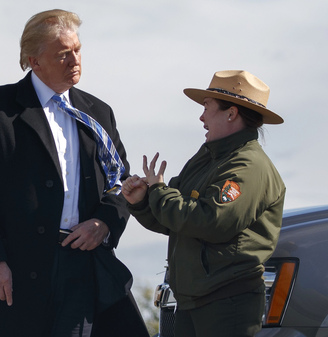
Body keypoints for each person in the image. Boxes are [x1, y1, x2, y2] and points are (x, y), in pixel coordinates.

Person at [0, 9, 148, 337]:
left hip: (80, 267)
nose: (75, 59)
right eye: (63, 54)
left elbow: (120, 182)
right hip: (12, 269)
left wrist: (105, 222)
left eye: (77, 50)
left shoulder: (98, 113)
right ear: (35, 60)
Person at [122, 70, 286, 337]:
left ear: (231, 113)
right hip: (198, 300)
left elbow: (211, 221)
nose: (201, 117)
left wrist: (159, 192)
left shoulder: (248, 165)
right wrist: (142, 201)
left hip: (226, 303)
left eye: (207, 108)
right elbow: (175, 218)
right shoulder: (210, 157)